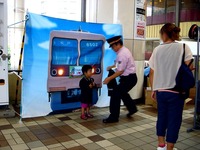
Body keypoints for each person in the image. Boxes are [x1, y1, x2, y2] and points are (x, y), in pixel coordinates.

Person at [149, 23, 193, 150]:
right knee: (174, 120)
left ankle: (161, 144)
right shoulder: (184, 47)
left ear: (164, 34)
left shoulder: (157, 50)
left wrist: (154, 89)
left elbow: (152, 72)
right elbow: (188, 67)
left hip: (161, 91)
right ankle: (170, 148)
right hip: (176, 91)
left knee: (162, 116)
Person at [103, 35, 138, 123]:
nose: (112, 49)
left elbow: (120, 71)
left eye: (113, 47)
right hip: (129, 78)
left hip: (129, 78)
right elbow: (119, 64)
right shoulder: (122, 51)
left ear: (118, 44)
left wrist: (109, 78)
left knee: (115, 94)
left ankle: (113, 117)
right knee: (122, 93)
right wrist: (111, 66)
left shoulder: (122, 54)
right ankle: (132, 108)